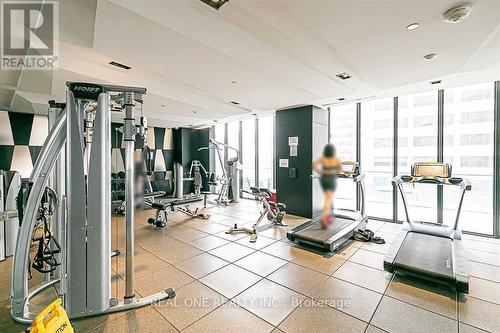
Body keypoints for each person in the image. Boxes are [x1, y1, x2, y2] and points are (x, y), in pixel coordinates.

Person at [312, 143, 341, 228]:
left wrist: (320, 172)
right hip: (331, 179)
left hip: (324, 179)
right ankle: (325, 217)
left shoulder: (322, 158)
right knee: (328, 198)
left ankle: (330, 214)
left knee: (328, 197)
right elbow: (340, 170)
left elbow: (314, 165)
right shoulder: (336, 159)